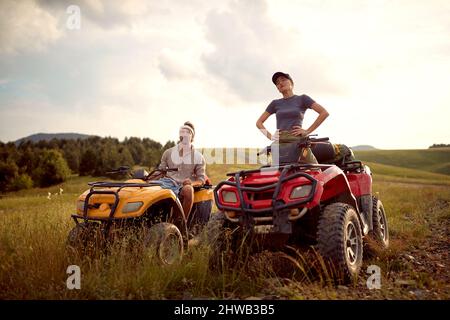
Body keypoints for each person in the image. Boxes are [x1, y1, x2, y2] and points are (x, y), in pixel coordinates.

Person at [256, 72, 329, 164]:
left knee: (314, 168)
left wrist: (307, 131)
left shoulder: (303, 98)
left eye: (283, 80)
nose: (280, 83)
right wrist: (271, 137)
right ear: (277, 88)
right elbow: (259, 122)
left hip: (298, 142)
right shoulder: (275, 103)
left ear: (291, 83)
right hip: (280, 143)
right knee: (276, 172)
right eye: (277, 83)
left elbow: (324, 113)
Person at [158, 121, 206, 220]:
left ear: (192, 137)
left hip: (182, 187)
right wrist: (147, 179)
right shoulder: (168, 152)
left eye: (188, 133)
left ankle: (180, 224)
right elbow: (160, 172)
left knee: (188, 190)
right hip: (166, 183)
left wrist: (191, 183)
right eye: (182, 132)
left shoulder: (198, 157)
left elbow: (201, 180)